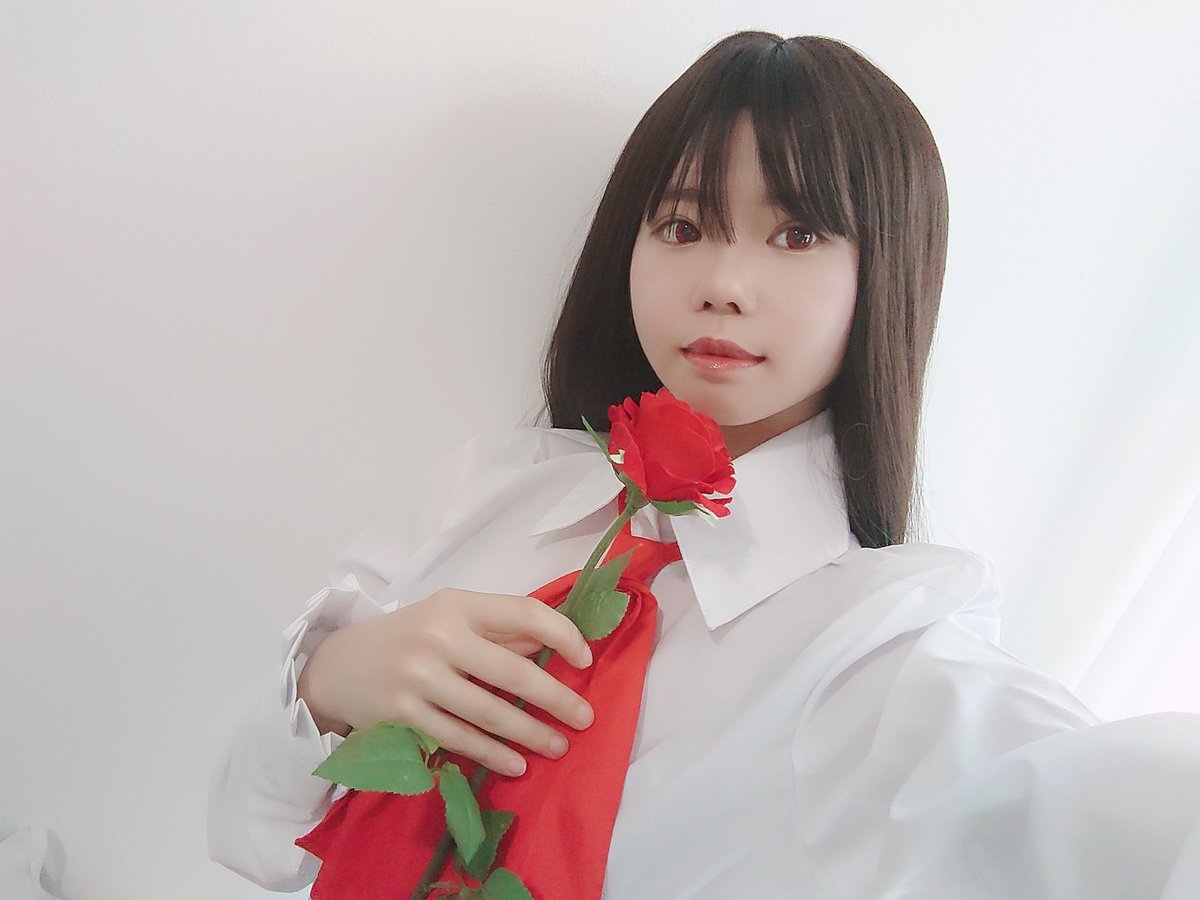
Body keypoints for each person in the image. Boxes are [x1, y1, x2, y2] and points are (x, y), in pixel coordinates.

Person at [208, 31, 1200, 898]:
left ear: (886, 273)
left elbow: (1105, 808)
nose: (724, 283)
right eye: (682, 227)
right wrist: (328, 681)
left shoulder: (881, 654)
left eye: (797, 234)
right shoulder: (491, 489)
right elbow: (250, 838)